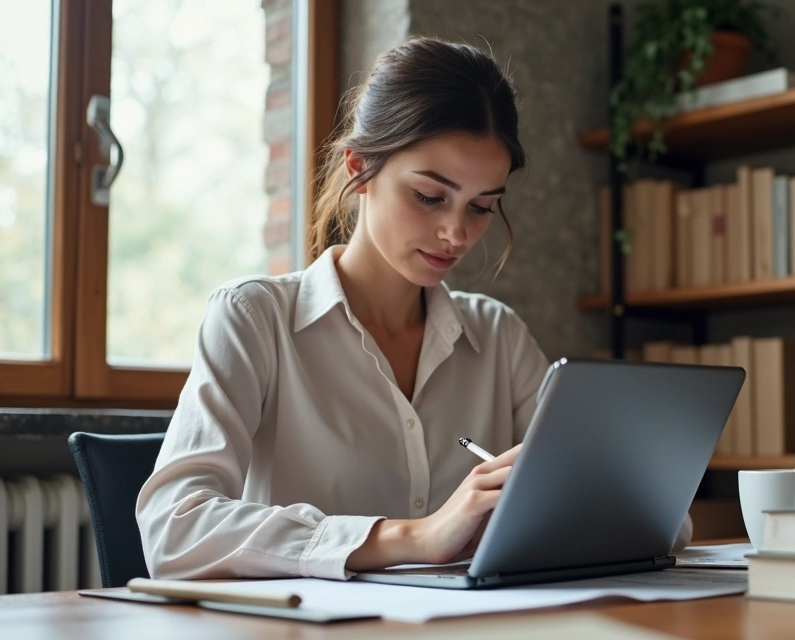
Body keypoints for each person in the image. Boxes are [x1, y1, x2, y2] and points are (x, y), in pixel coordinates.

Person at [135, 36, 691, 581]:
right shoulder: (254, 319)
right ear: (359, 167)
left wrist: (576, 497)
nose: (456, 233)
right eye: (429, 196)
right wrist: (414, 537)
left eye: (481, 207)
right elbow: (172, 528)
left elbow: (664, 522)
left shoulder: (497, 335)